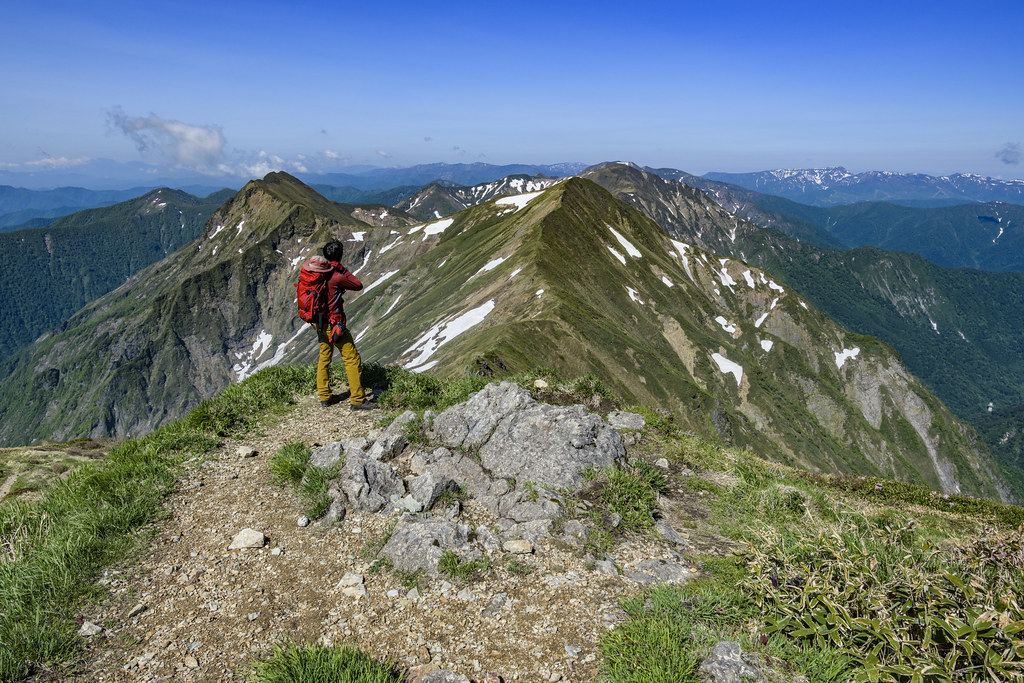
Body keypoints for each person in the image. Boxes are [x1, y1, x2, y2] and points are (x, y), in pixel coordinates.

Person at [308, 240, 374, 410]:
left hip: (319, 323)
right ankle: (358, 400)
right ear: (340, 255)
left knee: (324, 357)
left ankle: (325, 397)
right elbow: (358, 285)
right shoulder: (336, 276)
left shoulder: (316, 274)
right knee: (351, 359)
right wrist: (343, 269)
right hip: (334, 324)